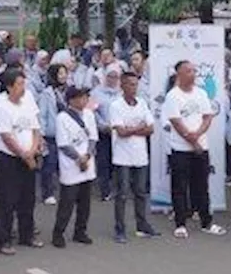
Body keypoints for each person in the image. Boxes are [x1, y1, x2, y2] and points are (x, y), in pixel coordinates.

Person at [163, 60, 226, 238]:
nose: (193, 74)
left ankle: (207, 222)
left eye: (194, 71)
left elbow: (207, 117)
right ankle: (181, 224)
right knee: (180, 187)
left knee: (201, 186)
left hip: (201, 147)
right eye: (189, 71)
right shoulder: (173, 96)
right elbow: (176, 122)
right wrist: (192, 140)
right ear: (179, 75)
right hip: (180, 149)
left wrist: (198, 134)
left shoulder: (201, 93)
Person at [0, 68, 45, 254]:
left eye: (24, 83)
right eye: (19, 84)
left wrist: (32, 151)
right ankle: (3, 240)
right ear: (9, 86)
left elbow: (35, 129)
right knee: (8, 200)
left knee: (27, 198)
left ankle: (27, 234)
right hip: (10, 159)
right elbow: (7, 136)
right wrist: (24, 154)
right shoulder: (3, 106)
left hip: (29, 156)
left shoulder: (27, 103)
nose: (23, 87)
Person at [109, 71, 158, 243]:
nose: (134, 87)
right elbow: (121, 132)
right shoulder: (116, 105)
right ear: (122, 86)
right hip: (122, 155)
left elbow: (151, 128)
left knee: (140, 192)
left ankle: (142, 224)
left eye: (136, 84)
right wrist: (139, 128)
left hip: (140, 155)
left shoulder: (142, 103)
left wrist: (132, 129)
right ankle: (120, 229)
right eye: (130, 84)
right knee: (122, 193)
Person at [52, 86, 98, 247]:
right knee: (67, 201)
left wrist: (87, 156)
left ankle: (80, 231)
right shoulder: (62, 118)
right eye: (81, 97)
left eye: (86, 97)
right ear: (71, 100)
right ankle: (58, 232)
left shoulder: (89, 115)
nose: (84, 100)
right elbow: (63, 144)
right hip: (71, 165)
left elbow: (93, 138)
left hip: (87, 162)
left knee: (85, 202)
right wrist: (79, 159)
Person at [37, 63, 68, 205]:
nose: (63, 76)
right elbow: (42, 115)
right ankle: (47, 192)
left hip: (66, 134)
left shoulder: (68, 91)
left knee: (65, 165)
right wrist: (41, 134)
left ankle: (66, 192)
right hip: (51, 134)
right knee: (49, 164)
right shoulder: (47, 93)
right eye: (60, 73)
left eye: (65, 73)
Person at [90, 65, 122, 201]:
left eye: (115, 76)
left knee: (117, 163)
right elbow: (92, 112)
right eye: (110, 76)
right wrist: (103, 125)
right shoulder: (96, 93)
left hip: (120, 132)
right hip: (103, 133)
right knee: (103, 161)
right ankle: (105, 190)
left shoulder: (121, 92)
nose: (112, 79)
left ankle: (119, 190)